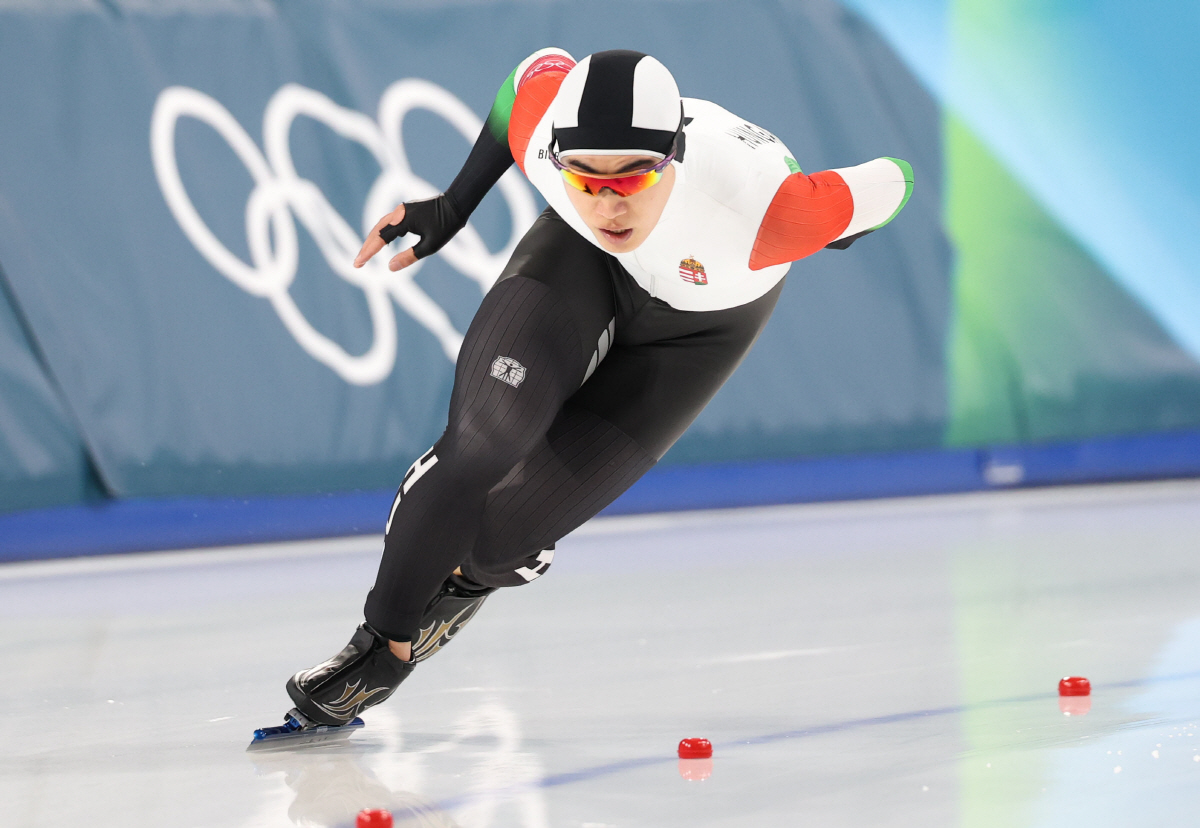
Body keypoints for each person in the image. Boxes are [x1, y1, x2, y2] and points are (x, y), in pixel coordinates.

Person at [277, 48, 913, 731]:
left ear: (673, 156)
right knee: (482, 444)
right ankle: (382, 646)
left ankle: (464, 587)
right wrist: (454, 206)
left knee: (500, 539)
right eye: (587, 176)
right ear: (558, 156)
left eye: (632, 179)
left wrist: (847, 226)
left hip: (699, 330)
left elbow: (896, 177)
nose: (608, 201)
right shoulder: (548, 139)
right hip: (581, 261)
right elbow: (526, 77)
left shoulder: (772, 214)